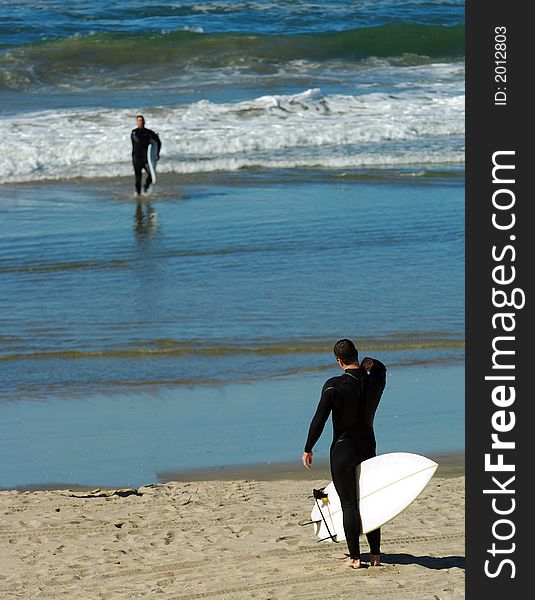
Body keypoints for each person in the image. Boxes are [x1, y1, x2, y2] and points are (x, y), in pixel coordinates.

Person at [302, 338, 387, 569]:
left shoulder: (334, 385)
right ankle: (376, 554)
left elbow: (319, 419)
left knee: (349, 504)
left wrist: (308, 448)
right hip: (368, 446)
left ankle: (355, 558)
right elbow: (381, 369)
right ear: (358, 355)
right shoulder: (375, 381)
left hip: (343, 450)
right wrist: (374, 364)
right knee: (369, 498)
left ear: (339, 361)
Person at [131, 115, 161, 196]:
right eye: (139, 120)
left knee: (151, 174)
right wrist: (149, 140)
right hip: (137, 158)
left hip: (146, 158)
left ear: (144, 122)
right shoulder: (134, 132)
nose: (141, 122)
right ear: (137, 122)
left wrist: (157, 153)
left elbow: (158, 141)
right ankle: (138, 193)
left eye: (142, 120)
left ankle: (145, 187)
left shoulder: (149, 132)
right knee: (138, 177)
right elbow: (138, 141)